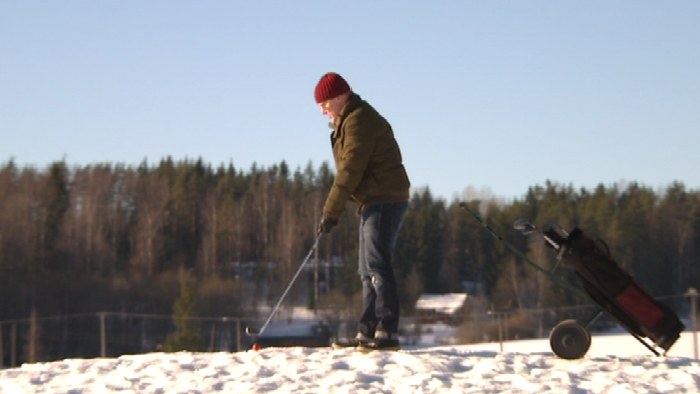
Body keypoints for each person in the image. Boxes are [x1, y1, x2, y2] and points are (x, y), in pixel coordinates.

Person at [313, 72, 410, 350]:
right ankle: (366, 332)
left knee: (378, 265)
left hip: (385, 199)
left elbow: (349, 171)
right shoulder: (348, 122)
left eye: (325, 103)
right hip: (372, 201)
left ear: (340, 96)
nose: (323, 110)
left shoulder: (359, 121)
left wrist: (331, 212)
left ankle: (387, 331)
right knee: (366, 270)